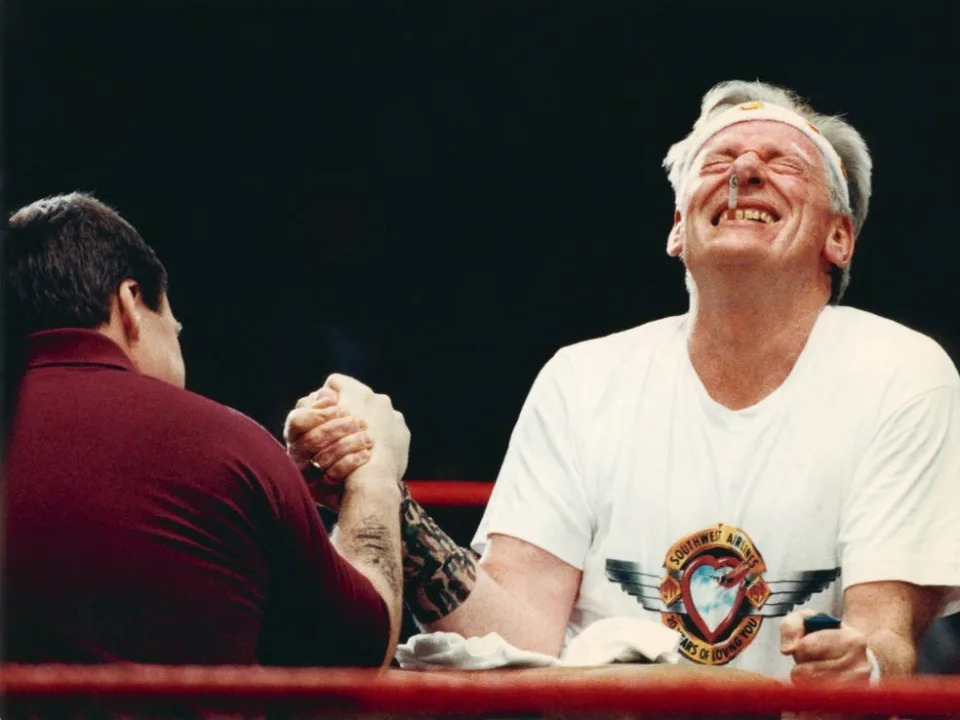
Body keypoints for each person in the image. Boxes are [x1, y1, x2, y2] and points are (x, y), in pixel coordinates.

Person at [289, 80, 960, 681]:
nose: (747, 169)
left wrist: (855, 662)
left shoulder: (899, 369)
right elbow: (516, 635)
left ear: (839, 238)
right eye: (718, 162)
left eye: (782, 162)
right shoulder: (583, 378)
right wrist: (378, 492)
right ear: (677, 230)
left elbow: (888, 634)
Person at [4, 192, 408, 668]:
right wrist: (375, 476)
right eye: (173, 331)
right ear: (130, 303)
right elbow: (357, 657)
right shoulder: (227, 446)